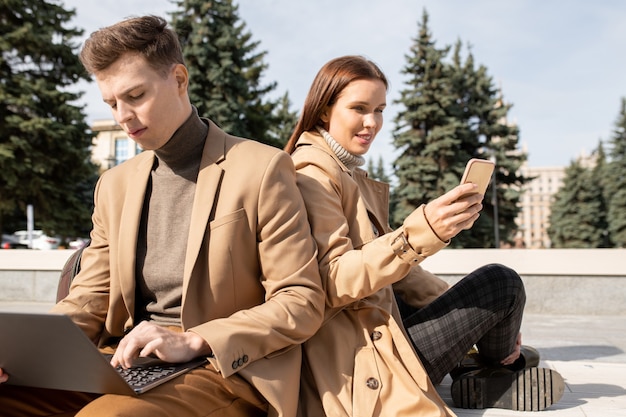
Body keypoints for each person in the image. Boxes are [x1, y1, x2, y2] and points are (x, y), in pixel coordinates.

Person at [0, 15, 324, 417]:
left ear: (180, 80)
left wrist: (195, 339)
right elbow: (89, 297)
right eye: (111, 103)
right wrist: (21, 353)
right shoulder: (114, 185)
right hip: (124, 364)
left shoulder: (262, 168)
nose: (122, 115)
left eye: (135, 96)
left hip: (220, 371)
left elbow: (301, 300)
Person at [285, 55, 564, 416]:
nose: (372, 122)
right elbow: (333, 280)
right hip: (359, 361)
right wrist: (419, 234)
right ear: (324, 111)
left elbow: (399, 274)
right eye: (359, 108)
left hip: (379, 333)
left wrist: (465, 311)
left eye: (380, 110)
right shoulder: (312, 175)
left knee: (488, 296)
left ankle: (483, 366)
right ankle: (494, 369)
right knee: (501, 284)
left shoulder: (345, 172)